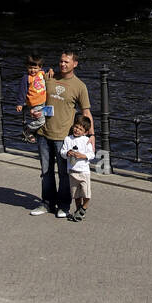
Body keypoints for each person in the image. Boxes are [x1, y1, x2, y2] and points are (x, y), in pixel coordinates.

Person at [29, 51, 92, 218]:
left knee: (64, 174)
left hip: (64, 137)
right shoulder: (48, 78)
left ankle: (63, 205)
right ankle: (47, 203)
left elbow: (86, 112)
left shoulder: (79, 86)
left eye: (66, 62)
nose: (62, 64)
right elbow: (35, 94)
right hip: (43, 133)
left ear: (75, 64)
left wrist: (91, 136)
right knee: (46, 171)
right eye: (61, 61)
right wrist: (35, 111)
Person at [60, 115, 95, 221]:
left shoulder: (86, 140)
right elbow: (62, 152)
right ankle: (78, 210)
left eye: (80, 129)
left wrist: (83, 156)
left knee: (86, 193)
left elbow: (92, 154)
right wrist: (67, 153)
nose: (77, 130)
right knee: (76, 194)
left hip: (84, 171)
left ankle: (84, 208)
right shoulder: (68, 139)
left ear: (85, 132)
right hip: (72, 171)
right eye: (76, 127)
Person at [14, 55, 49, 141]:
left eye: (35, 68)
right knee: (41, 121)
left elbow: (48, 70)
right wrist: (20, 103)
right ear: (27, 67)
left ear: (40, 68)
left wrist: (50, 70)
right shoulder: (26, 78)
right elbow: (22, 91)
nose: (33, 70)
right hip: (35, 103)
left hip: (44, 101)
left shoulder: (42, 73)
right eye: (30, 68)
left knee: (48, 117)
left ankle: (37, 133)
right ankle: (28, 130)